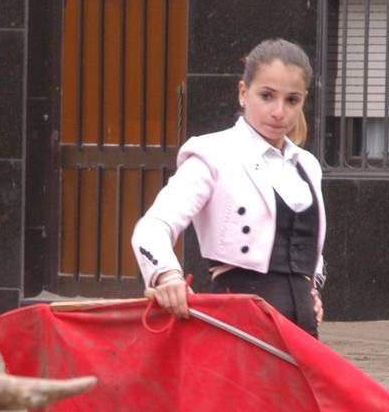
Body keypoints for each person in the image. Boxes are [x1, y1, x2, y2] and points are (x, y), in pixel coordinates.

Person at [130, 38, 326, 335]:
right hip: (240, 321)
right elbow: (153, 225)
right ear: (243, 93)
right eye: (267, 96)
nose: (279, 111)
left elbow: (311, 247)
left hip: (303, 327)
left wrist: (312, 288)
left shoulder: (307, 165)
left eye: (291, 100)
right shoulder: (212, 153)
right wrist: (167, 276)